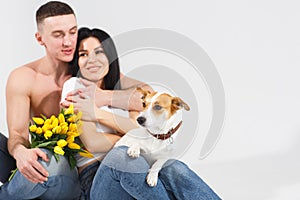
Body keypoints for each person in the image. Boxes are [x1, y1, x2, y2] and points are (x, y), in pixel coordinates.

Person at [61, 27, 221, 199]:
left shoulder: (124, 87)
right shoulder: (75, 86)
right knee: (121, 155)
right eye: (83, 54)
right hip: (96, 180)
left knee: (174, 167)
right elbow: (94, 143)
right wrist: (134, 137)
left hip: (138, 170)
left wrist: (98, 111)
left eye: (99, 52)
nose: (91, 60)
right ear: (77, 60)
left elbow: (147, 101)